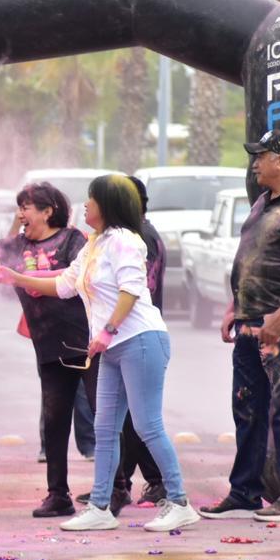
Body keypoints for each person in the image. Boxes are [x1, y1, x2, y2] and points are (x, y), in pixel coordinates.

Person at [0, 174, 200, 533]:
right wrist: (17, 278)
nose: (84, 205)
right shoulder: (94, 244)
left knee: (147, 424)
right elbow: (64, 284)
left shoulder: (125, 241)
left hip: (140, 340)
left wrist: (107, 331)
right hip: (113, 347)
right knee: (104, 428)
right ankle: (101, 506)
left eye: (91, 199)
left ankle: (179, 501)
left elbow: (131, 290)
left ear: (109, 204)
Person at [200, 129, 280, 523]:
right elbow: (249, 260)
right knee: (247, 406)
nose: (254, 163)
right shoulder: (262, 202)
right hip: (249, 321)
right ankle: (244, 493)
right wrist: (232, 308)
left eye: (260, 156)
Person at [0, 182, 96, 517]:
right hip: (48, 345)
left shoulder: (73, 240)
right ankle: (57, 495)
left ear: (48, 211)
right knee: (54, 420)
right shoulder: (17, 245)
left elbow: (81, 276)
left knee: (103, 416)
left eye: (26, 207)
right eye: (19, 207)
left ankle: (114, 488)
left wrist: (22, 278)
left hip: (88, 342)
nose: (21, 214)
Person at [108, 176, 167, 514]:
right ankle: (120, 484)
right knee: (129, 417)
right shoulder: (141, 233)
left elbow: (127, 291)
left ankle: (162, 483)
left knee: (139, 419)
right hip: (134, 336)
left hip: (136, 336)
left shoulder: (137, 239)